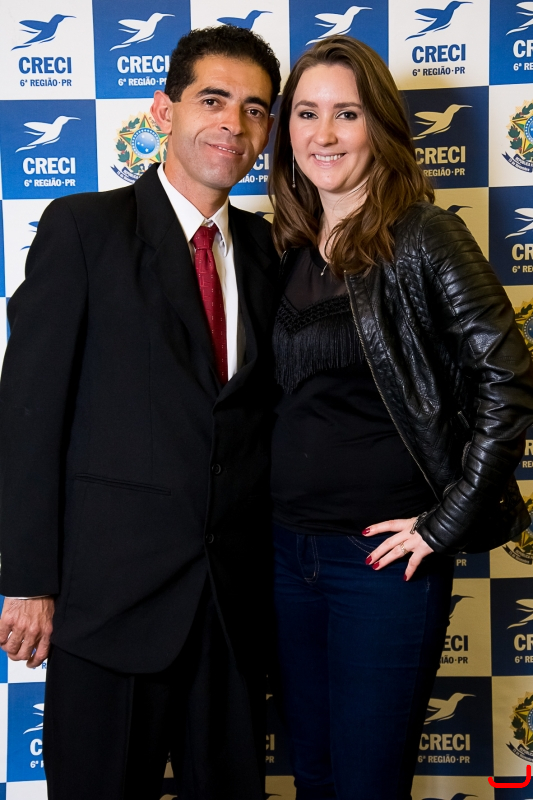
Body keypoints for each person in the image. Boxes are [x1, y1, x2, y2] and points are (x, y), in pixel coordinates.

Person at [0, 25, 281, 800]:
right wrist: (30, 580)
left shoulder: (269, 252)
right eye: (213, 100)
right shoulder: (83, 230)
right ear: (164, 110)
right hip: (108, 604)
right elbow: (28, 412)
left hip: (232, 609)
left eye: (254, 109)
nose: (233, 124)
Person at [268, 36, 533, 800]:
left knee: (366, 784)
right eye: (306, 113)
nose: (323, 134)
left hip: (379, 565)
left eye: (346, 114)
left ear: (379, 126)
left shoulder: (422, 235)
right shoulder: (284, 246)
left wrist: (444, 523)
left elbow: (509, 380)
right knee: (311, 777)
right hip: (284, 554)